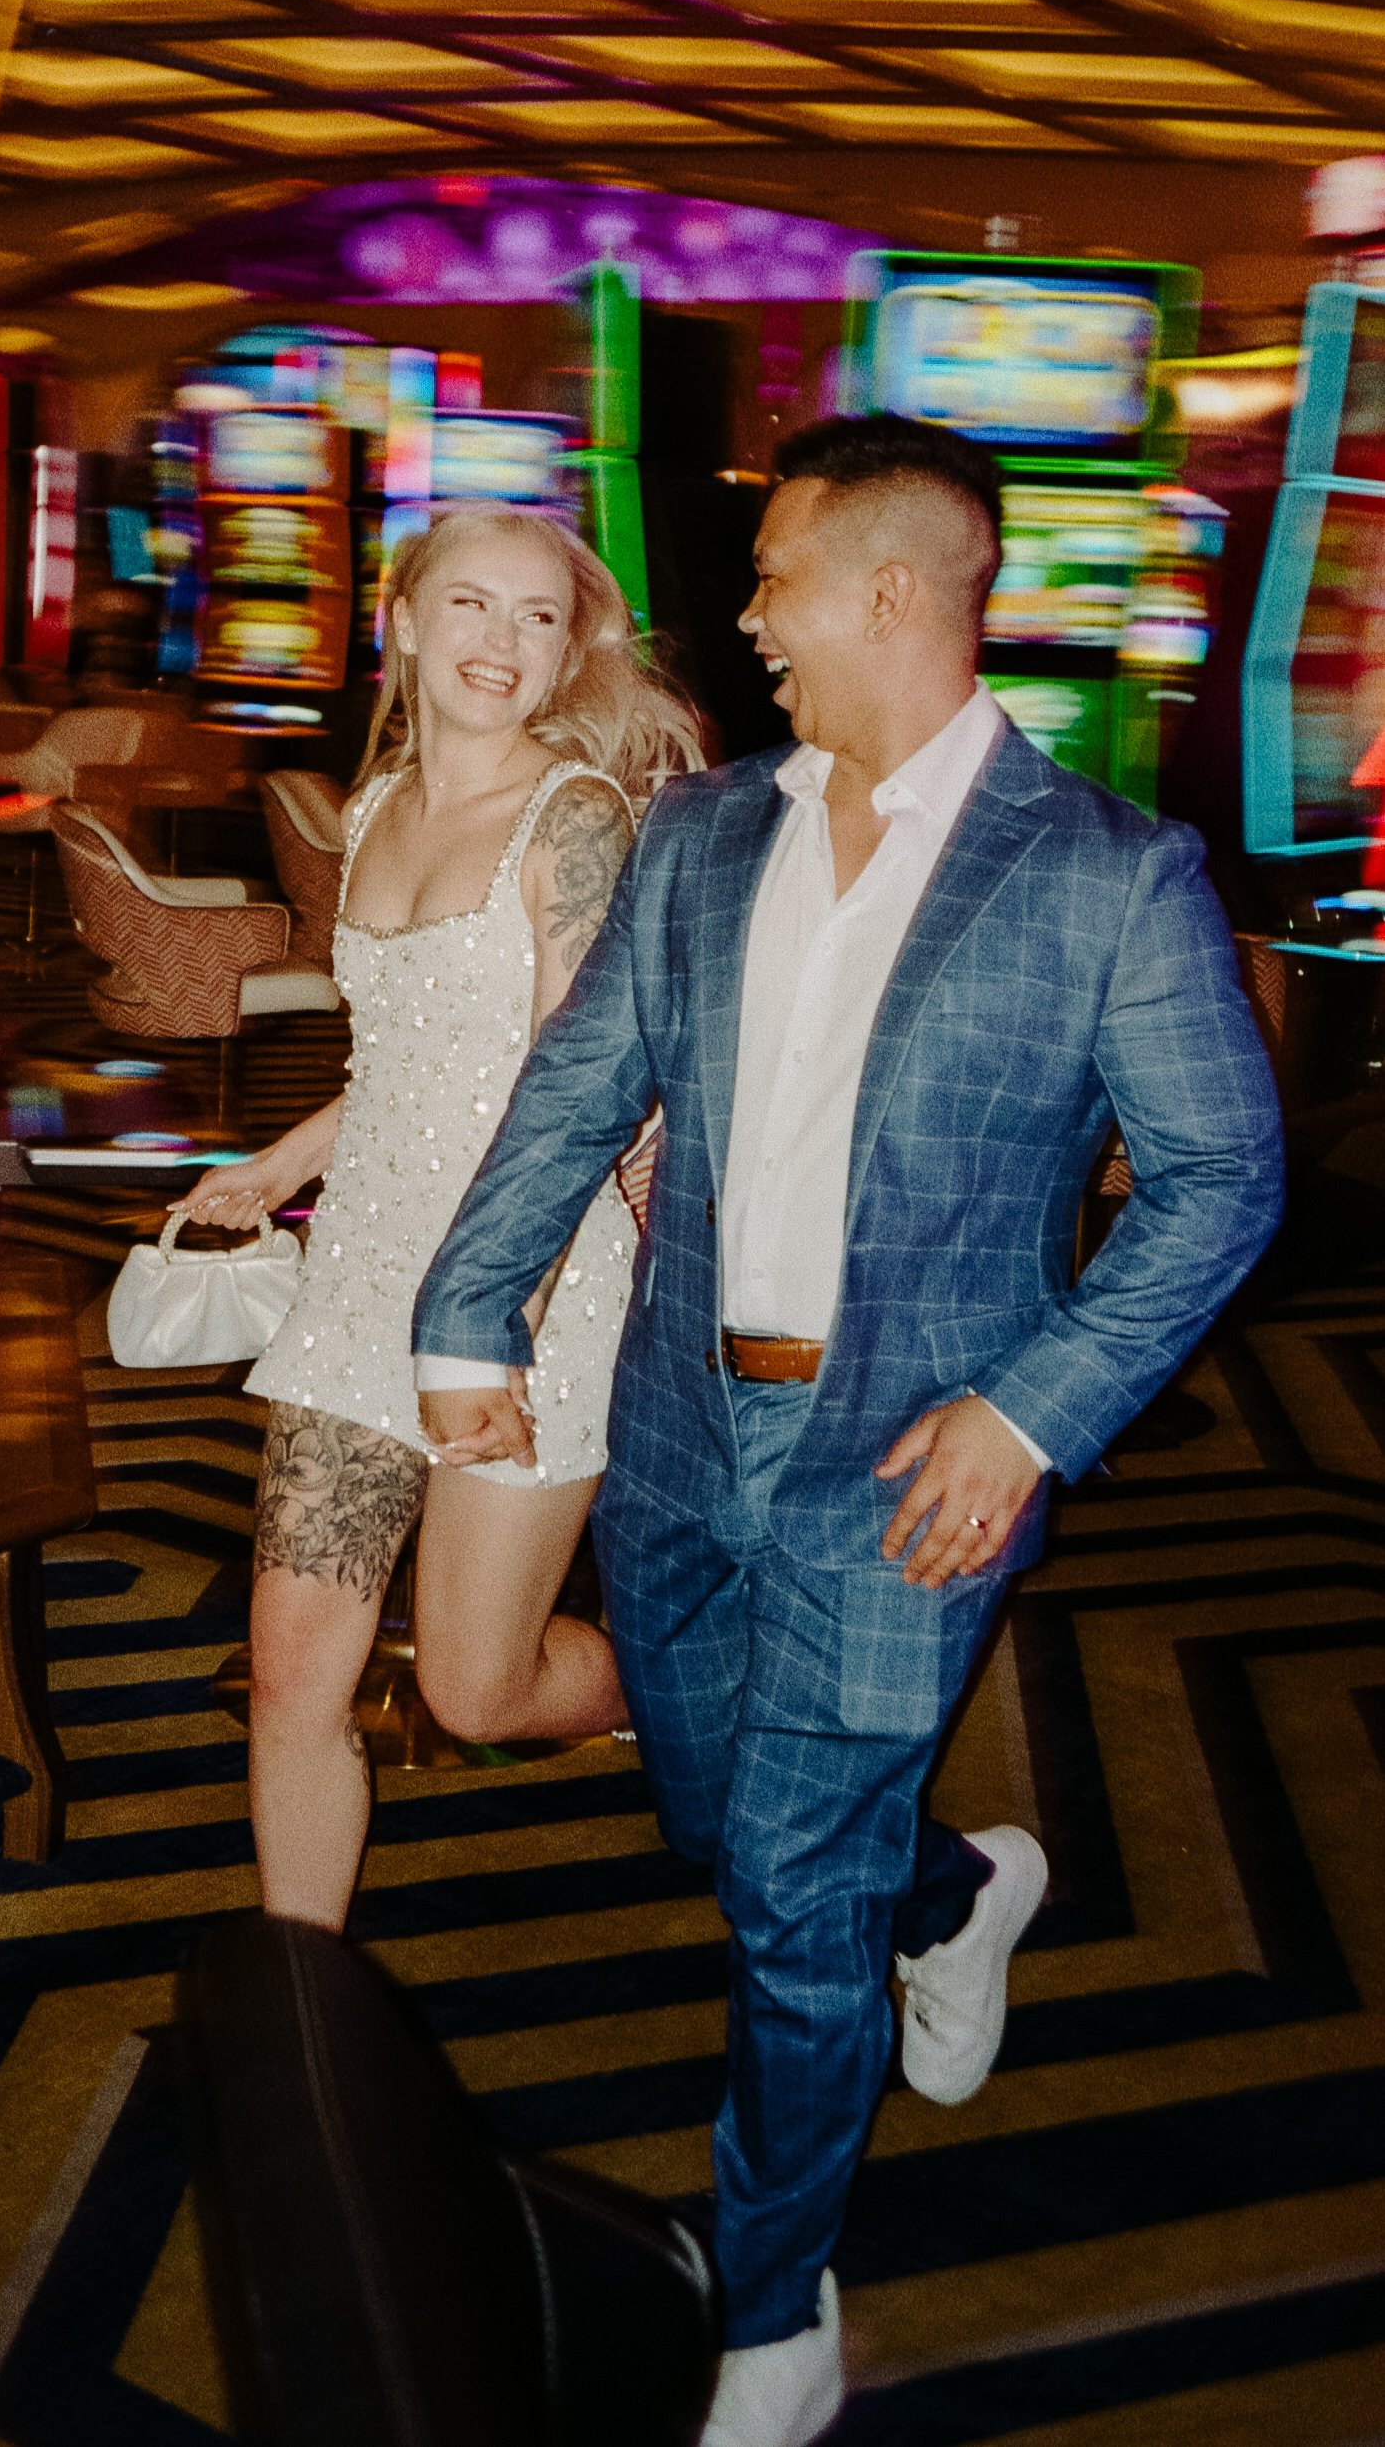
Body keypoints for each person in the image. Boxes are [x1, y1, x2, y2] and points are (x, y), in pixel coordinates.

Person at [411, 415, 1283, 2447]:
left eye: (780, 572)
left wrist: (1032, 1409)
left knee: (789, 1898)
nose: (750, 614)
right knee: (724, 1825)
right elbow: (578, 1090)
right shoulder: (709, 834)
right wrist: (469, 1305)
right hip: (687, 1433)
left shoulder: (1108, 875)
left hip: (917, 1468)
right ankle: (958, 1887)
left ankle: (776, 2302)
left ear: (895, 590)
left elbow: (1221, 1180)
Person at [171, 505, 702, 1930]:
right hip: (359, 1279)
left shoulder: (573, 817)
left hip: (522, 1291)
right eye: (471, 606)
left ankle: (715, 1691)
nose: (502, 643)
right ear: (402, 622)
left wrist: (499, 1309)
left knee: (476, 1685)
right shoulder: (374, 807)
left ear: (566, 651)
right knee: (292, 1674)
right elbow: (405, 1057)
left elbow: (570, 1087)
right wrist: (282, 1162)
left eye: (539, 619)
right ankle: (304, 1993)